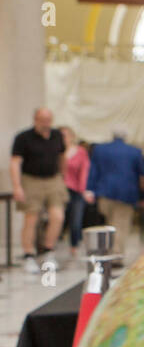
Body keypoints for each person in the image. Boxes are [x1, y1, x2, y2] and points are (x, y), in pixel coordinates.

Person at [9, 107, 67, 273]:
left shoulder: (57, 135)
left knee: (58, 216)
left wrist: (63, 175)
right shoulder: (23, 138)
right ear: (35, 120)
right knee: (31, 218)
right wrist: (17, 186)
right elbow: (15, 162)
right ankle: (29, 254)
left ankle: (49, 250)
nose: (46, 123)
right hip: (31, 180)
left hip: (53, 178)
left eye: (48, 120)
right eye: (42, 120)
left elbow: (62, 157)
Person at [85, 128, 144, 257]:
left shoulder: (100, 150)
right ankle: (116, 255)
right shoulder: (134, 151)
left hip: (104, 192)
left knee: (109, 223)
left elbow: (93, 171)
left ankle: (109, 251)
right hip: (126, 194)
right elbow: (142, 177)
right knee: (120, 224)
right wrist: (143, 196)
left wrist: (90, 189)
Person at [61, 126, 91, 258]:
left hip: (76, 190)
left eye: (66, 135)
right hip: (60, 190)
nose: (64, 138)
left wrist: (83, 189)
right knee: (59, 218)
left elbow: (85, 170)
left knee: (76, 220)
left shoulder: (80, 152)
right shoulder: (57, 152)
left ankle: (74, 246)